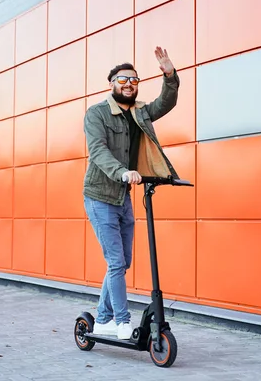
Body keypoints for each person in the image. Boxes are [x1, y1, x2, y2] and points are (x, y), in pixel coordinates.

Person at [83, 47, 180, 340]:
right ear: (112, 83)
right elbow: (98, 150)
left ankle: (101, 319)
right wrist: (121, 171)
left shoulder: (139, 112)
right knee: (115, 262)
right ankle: (121, 320)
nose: (129, 84)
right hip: (100, 196)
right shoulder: (97, 113)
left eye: (134, 80)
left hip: (123, 197)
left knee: (122, 262)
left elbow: (164, 104)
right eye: (123, 79)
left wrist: (170, 75)